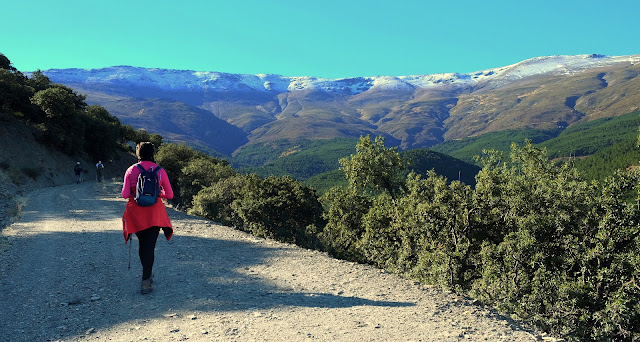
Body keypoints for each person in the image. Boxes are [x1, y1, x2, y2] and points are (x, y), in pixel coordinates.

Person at [121, 142, 174, 294]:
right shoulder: (160, 171)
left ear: (138, 154)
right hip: (154, 213)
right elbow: (169, 195)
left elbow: (125, 194)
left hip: (136, 214)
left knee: (142, 245)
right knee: (150, 246)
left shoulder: (131, 170)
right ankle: (146, 281)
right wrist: (158, 194)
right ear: (152, 153)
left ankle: (147, 275)